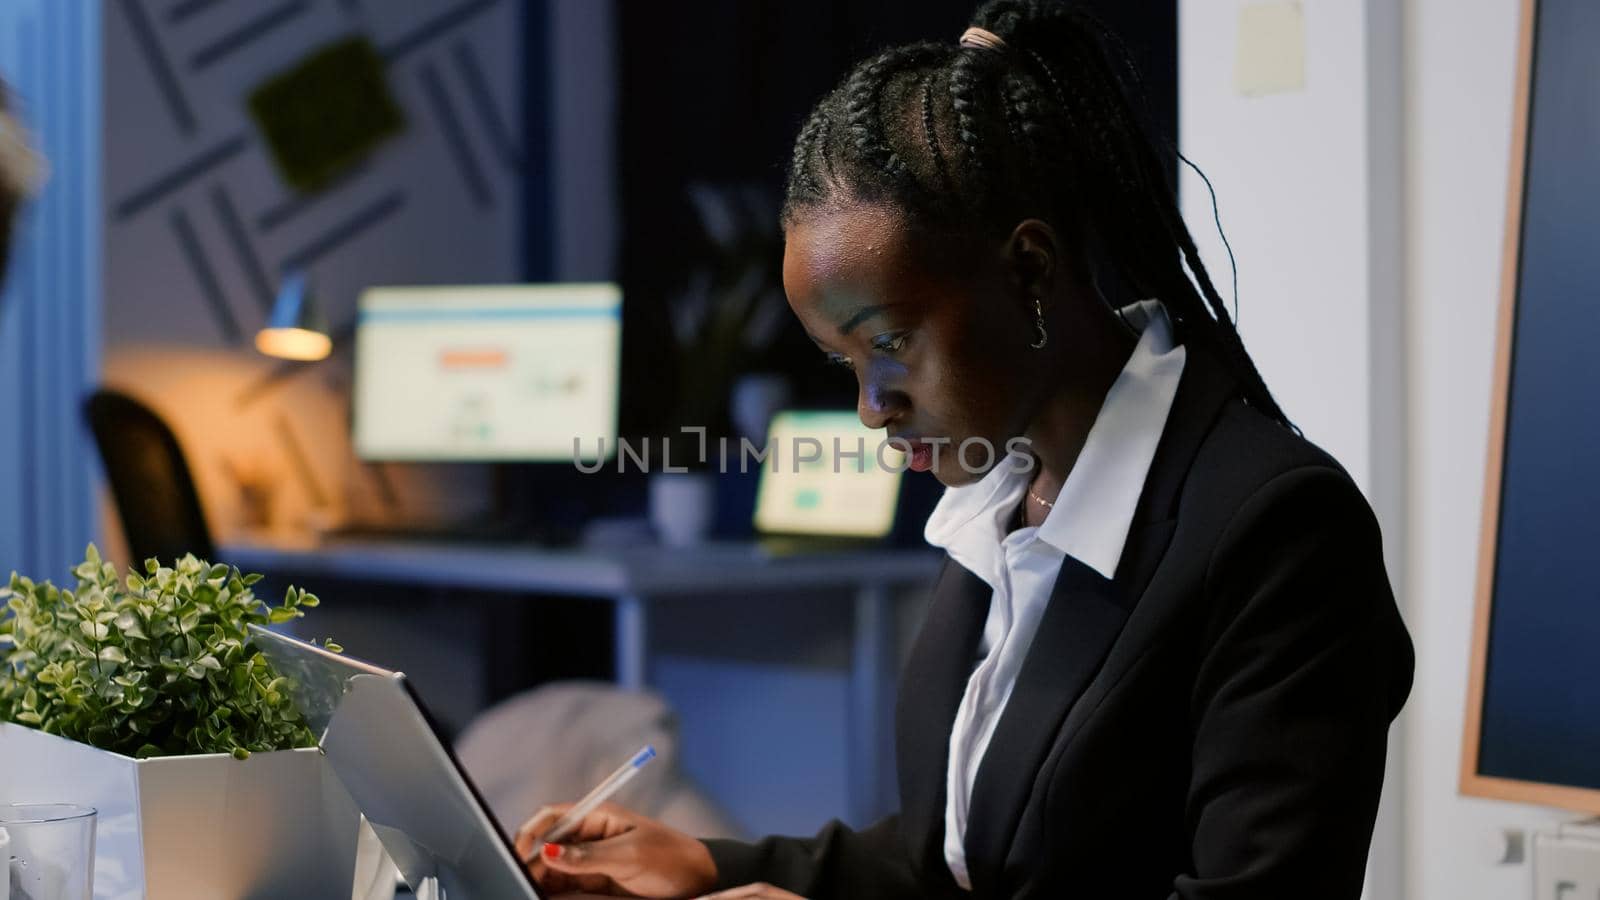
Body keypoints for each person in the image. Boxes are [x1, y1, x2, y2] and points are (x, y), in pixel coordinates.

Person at [516, 1, 1414, 897]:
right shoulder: (1004, 496)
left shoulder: (1277, 532)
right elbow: (954, 861)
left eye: (892, 342)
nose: (871, 408)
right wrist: (712, 863)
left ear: (1028, 269)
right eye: (845, 360)